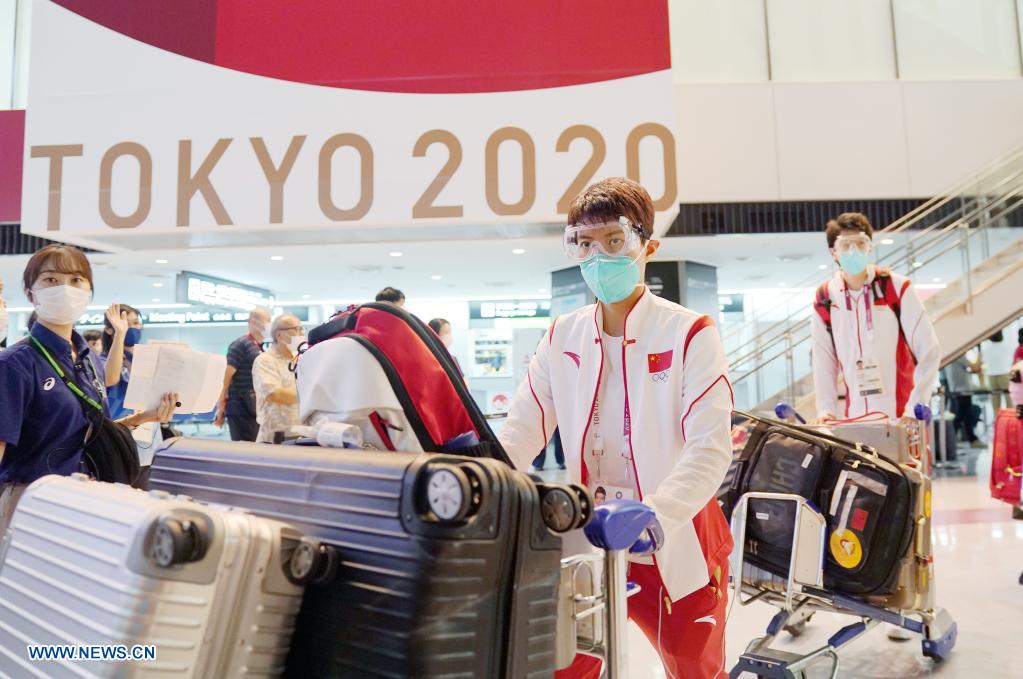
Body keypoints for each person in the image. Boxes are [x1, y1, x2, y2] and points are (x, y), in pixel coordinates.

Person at [499, 178, 733, 679]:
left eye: (613, 241)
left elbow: (710, 449)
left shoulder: (689, 332)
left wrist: (654, 516)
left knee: (694, 666)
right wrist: (480, 478)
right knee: (568, 664)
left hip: (677, 534)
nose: (598, 256)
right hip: (590, 539)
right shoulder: (563, 334)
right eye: (584, 243)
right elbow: (522, 427)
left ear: (648, 245)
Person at [0, 245, 176, 534]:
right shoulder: (15, 364)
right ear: (31, 293)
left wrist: (146, 416)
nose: (65, 289)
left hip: (90, 497)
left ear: (88, 291)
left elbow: (89, 430)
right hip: (34, 503)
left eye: (76, 280)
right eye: (51, 280)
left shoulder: (89, 359)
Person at [811, 212, 940, 423]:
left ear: (869, 246)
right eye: (845, 245)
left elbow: (929, 350)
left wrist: (914, 408)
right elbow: (823, 361)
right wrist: (826, 411)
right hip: (855, 421)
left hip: (900, 418)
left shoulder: (896, 287)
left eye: (860, 243)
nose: (853, 251)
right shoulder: (825, 298)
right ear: (833, 252)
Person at [214, 308, 271, 441]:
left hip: (252, 408)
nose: (269, 324)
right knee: (245, 450)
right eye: (266, 320)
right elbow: (226, 377)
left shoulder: (257, 347)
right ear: (252, 322)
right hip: (240, 408)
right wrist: (221, 406)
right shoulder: (240, 345)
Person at [252, 313, 304, 443]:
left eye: (302, 329)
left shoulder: (300, 360)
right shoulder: (265, 361)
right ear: (279, 335)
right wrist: (310, 395)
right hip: (274, 438)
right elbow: (275, 394)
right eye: (296, 329)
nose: (301, 334)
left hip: (300, 434)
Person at [101, 303, 143, 419]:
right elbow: (109, 379)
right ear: (109, 330)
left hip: (146, 426)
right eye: (124, 324)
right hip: (116, 427)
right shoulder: (102, 361)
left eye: (135, 323)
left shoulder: (142, 360)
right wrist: (120, 333)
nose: (132, 328)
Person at [982, 329, 1016, 412]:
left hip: (991, 376)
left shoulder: (986, 349)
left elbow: (983, 362)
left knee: (995, 402)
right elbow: (1012, 362)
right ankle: (1010, 421)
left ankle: (998, 421)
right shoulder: (1007, 346)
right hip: (1005, 374)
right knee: (1009, 401)